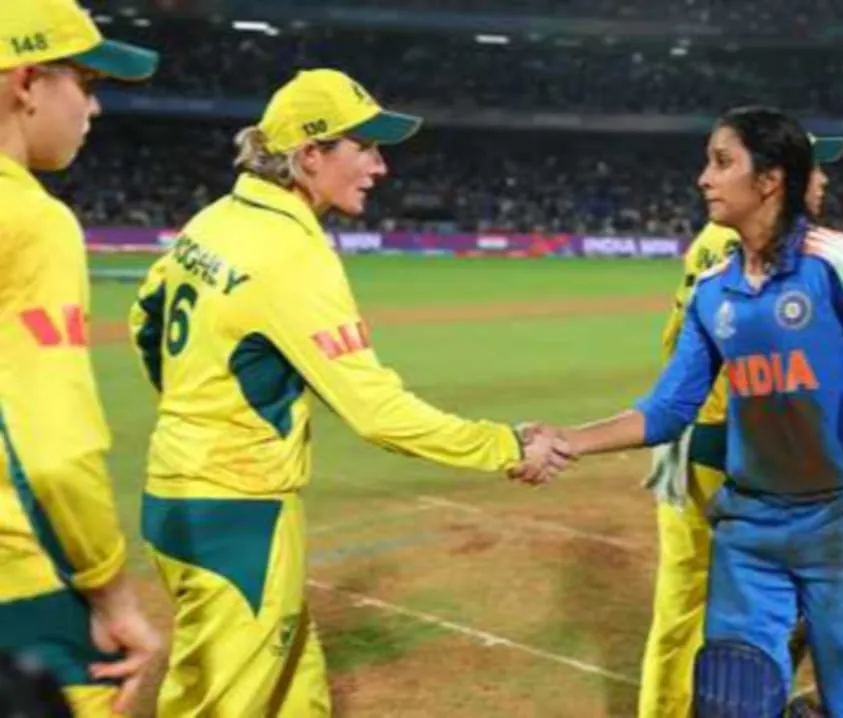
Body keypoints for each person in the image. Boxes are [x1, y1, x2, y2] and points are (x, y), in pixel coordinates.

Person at [127, 68, 567, 716]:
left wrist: (198, 412)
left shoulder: (213, 219)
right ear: (311, 155)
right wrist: (503, 444)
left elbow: (146, 321)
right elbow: (377, 412)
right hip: (240, 513)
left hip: (173, 496)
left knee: (294, 686)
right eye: (365, 147)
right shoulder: (292, 254)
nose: (380, 167)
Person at [536, 105, 843, 716]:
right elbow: (669, 409)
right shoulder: (713, 289)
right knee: (733, 700)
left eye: (723, 163)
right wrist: (568, 440)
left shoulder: (841, 263)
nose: (704, 177)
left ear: (770, 179)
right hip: (750, 529)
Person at [638, 133, 843, 718]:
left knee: (686, 603)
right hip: (731, 450)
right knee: (791, 593)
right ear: (776, 178)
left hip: (699, 440)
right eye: (816, 170)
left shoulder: (726, 240)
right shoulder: (750, 245)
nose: (825, 182)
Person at [0, 2, 163, 716]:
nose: (93, 110)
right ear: (26, 82)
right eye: (87, 84)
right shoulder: (32, 221)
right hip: (21, 588)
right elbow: (53, 451)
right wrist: (112, 592)